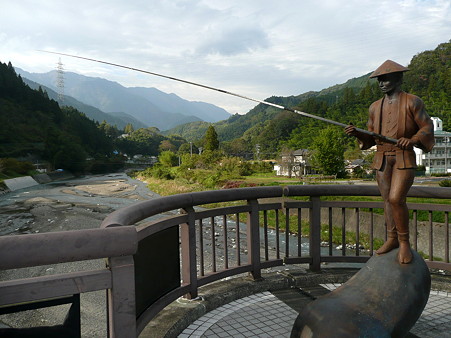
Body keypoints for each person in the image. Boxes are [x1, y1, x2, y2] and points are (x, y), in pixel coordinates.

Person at [345, 60, 434, 264]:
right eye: (379, 79)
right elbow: (371, 139)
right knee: (386, 200)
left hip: (403, 157)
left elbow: (427, 128)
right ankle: (392, 238)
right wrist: (357, 133)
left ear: (398, 78)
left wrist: (412, 139)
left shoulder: (413, 101)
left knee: (396, 199)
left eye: (385, 78)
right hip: (382, 158)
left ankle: (404, 243)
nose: (382, 83)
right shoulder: (375, 107)